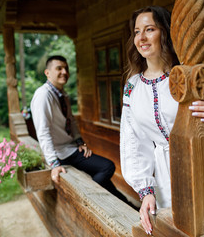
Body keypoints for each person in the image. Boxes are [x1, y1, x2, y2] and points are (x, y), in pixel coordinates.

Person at [120, 6, 204, 235]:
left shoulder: (191, 76)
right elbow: (133, 141)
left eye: (150, 29)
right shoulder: (132, 86)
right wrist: (146, 191)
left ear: (165, 33)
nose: (141, 38)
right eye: (137, 32)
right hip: (166, 179)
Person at [31, 55, 130, 205]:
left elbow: (72, 121)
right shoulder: (43, 95)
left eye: (66, 68)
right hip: (61, 153)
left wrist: (80, 142)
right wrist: (54, 164)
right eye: (59, 68)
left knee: (103, 178)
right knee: (107, 167)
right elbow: (42, 131)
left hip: (71, 148)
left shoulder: (61, 94)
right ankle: (88, 196)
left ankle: (125, 204)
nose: (64, 72)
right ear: (47, 73)